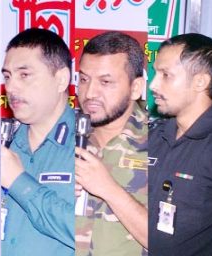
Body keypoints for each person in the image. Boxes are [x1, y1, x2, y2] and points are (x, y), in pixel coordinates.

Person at [147, 33, 212, 255]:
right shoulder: (151, 136)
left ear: (200, 81)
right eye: (156, 73)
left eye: (166, 75)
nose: (153, 84)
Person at [0, 28, 75, 255]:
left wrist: (19, 182)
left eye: (24, 75)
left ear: (61, 79)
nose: (11, 88)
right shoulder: (2, 143)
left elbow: (96, 236)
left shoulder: (91, 145)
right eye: (7, 76)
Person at [74, 31, 149, 255]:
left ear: (136, 88)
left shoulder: (163, 142)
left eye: (105, 82)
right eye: (84, 79)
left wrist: (108, 189)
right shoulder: (61, 136)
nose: (89, 93)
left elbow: (177, 243)